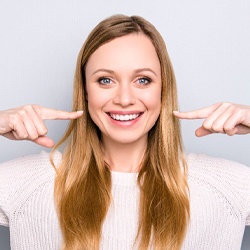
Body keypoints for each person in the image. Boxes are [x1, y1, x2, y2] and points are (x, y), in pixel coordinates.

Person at [0, 14, 250, 250]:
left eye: (143, 80)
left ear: (163, 90)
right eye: (105, 80)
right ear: (85, 91)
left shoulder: (227, 187)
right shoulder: (26, 184)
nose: (124, 99)